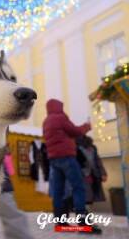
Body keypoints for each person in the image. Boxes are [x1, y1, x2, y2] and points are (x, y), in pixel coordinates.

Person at [43, 99, 102, 234]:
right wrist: (86, 126)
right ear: (59, 107)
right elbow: (74, 131)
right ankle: (83, 223)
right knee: (78, 187)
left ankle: (60, 222)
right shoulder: (60, 117)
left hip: (53, 159)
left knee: (58, 191)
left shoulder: (46, 121)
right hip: (67, 157)